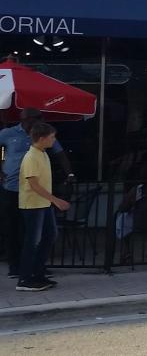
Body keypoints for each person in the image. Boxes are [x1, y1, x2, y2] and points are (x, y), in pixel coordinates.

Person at [2, 109, 74, 281]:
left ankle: (34, 269)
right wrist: (1, 164)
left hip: (36, 194)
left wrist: (69, 174)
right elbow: (1, 148)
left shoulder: (42, 141)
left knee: (38, 233)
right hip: (13, 188)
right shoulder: (8, 133)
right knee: (14, 228)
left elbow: (60, 153)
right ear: (26, 119)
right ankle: (18, 269)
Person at [16, 122, 70, 291]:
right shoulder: (31, 156)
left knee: (50, 235)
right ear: (41, 138)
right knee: (32, 241)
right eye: (52, 137)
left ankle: (38, 273)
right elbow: (34, 184)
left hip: (43, 203)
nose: (54, 140)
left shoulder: (43, 153)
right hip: (32, 204)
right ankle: (24, 279)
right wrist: (56, 200)